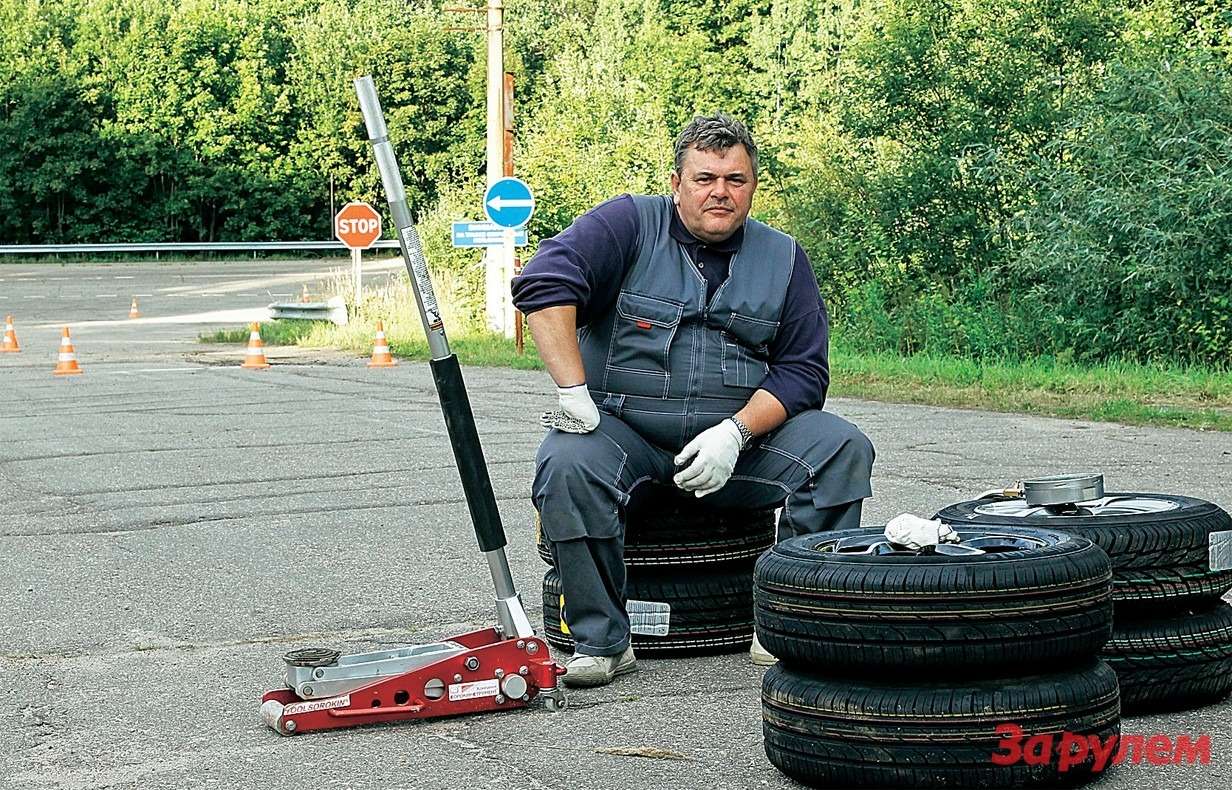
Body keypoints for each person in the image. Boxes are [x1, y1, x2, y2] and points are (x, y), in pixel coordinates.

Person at [511, 113, 875, 687]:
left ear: (753, 187)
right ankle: (602, 641)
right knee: (566, 461)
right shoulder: (626, 226)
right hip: (626, 435)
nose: (720, 193)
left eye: (736, 180)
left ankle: (788, 625)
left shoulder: (783, 259)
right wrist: (572, 391)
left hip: (739, 449)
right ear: (677, 183)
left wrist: (738, 432)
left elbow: (804, 371)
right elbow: (543, 283)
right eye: (705, 178)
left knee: (840, 447)